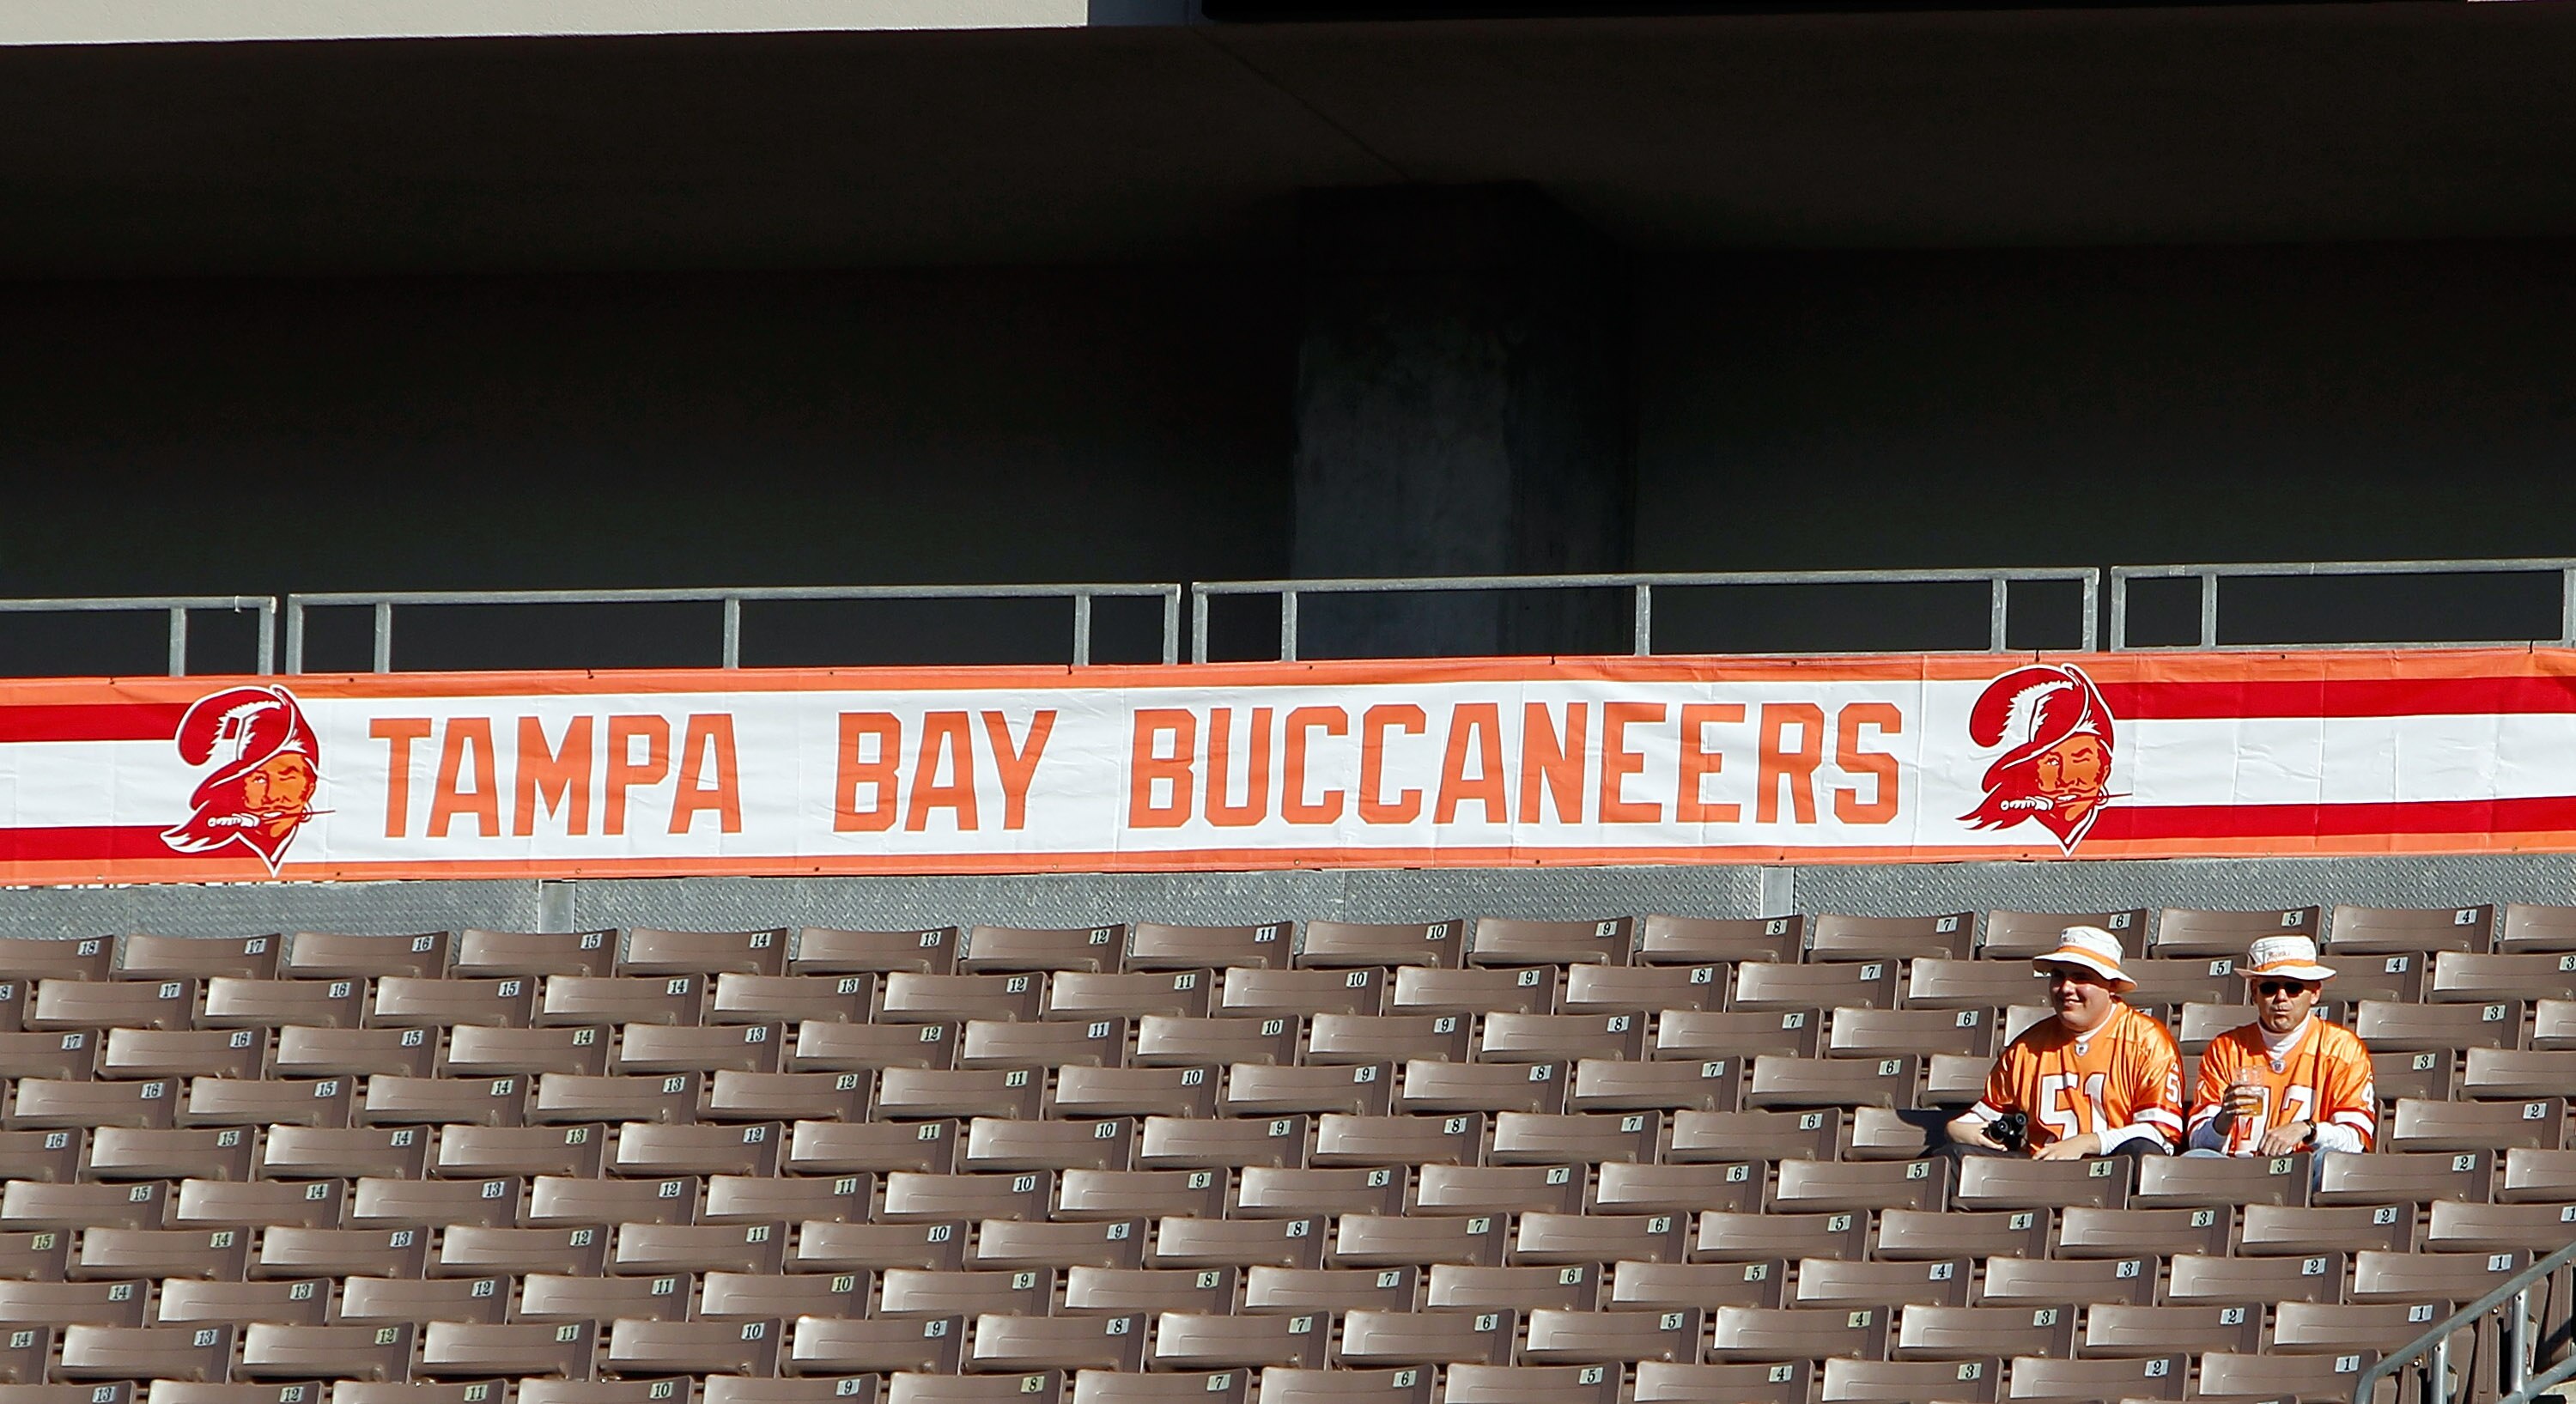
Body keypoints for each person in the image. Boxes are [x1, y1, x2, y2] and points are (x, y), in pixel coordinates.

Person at [1945, 924, 2184, 1160]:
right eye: (2058, 976)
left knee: (2142, 1151)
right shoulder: (2026, 1048)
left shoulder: (2147, 1040)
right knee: (1953, 1157)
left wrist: (2089, 1142)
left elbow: (2159, 1134)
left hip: (2112, 1169)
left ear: (2111, 985)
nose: (2066, 988)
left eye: (2081, 977)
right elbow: (1981, 1117)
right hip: (2038, 1171)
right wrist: (1956, 1129)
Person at [2184, 934, 2374, 1181]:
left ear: (2315, 992)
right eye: (2269, 987)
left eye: (2294, 987)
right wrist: (2224, 1118)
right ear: (2254, 993)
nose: (2281, 997)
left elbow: (2356, 1141)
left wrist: (2308, 1130)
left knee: (2328, 1162)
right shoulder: (2226, 1048)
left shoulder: (2342, 1048)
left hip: (2304, 1172)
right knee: (2193, 1163)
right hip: (2236, 1171)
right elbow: (2199, 1143)